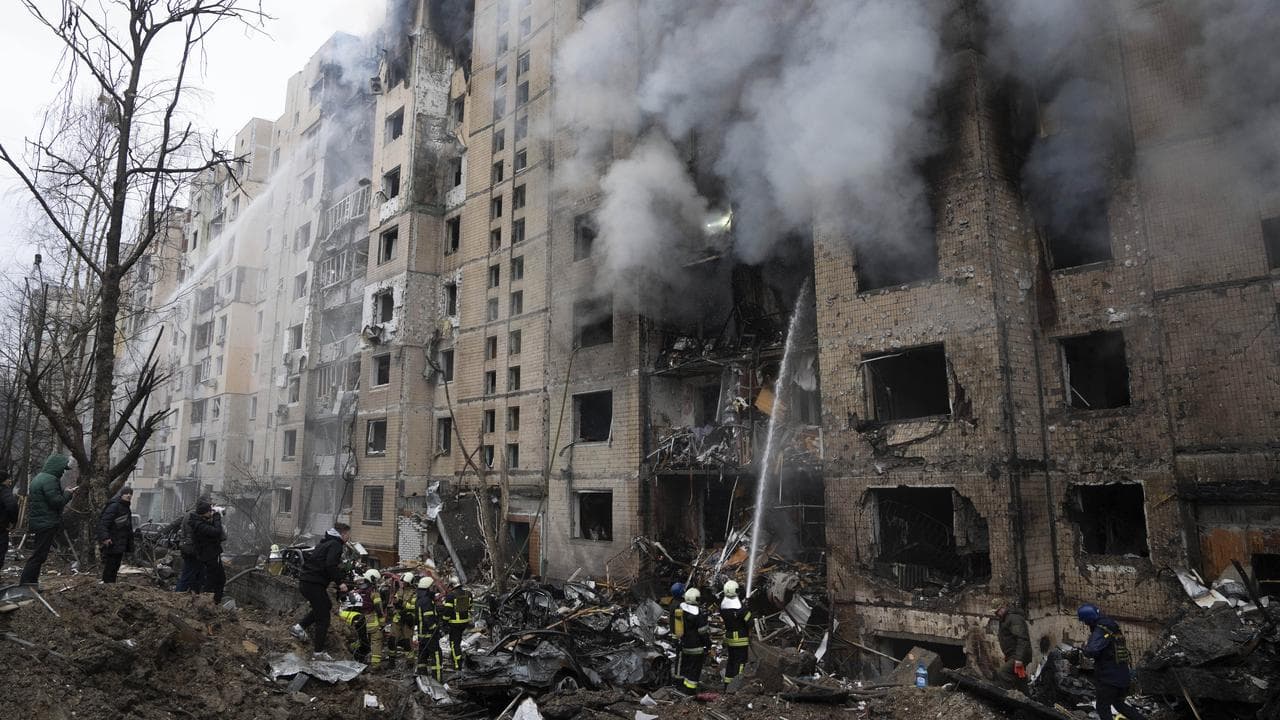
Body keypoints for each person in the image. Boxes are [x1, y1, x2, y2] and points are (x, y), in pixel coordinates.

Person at [1077, 604, 1148, 720]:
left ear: (1089, 619)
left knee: (1102, 707)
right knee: (1119, 704)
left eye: (1085, 621)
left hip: (1109, 678)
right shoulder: (1111, 625)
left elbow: (1092, 650)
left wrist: (1085, 648)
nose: (1085, 624)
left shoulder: (1101, 629)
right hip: (1123, 675)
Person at [291, 523, 350, 654]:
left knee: (326, 605)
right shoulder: (336, 545)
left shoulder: (325, 543)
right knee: (323, 618)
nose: (348, 538)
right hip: (313, 584)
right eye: (348, 535)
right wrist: (340, 582)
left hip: (307, 582)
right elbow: (330, 565)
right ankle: (318, 652)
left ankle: (299, 627)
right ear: (343, 534)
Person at [20, 453, 77, 586]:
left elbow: (48, 500)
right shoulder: (50, 480)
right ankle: (27, 584)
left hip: (40, 522)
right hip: (47, 523)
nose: (63, 472)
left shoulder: (39, 478)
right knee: (39, 556)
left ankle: (31, 583)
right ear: (56, 467)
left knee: (38, 555)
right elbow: (57, 502)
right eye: (63, 469)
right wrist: (68, 494)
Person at [338, 569, 385, 666]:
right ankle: (375, 666)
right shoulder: (374, 592)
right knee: (376, 641)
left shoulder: (358, 590)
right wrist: (382, 623)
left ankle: (353, 652)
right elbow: (378, 608)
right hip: (371, 621)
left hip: (358, 620)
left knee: (361, 639)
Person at [96, 485, 135, 583]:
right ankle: (107, 584)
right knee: (111, 565)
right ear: (122, 494)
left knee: (116, 565)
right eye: (126, 493)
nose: (129, 495)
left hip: (120, 542)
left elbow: (127, 528)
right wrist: (105, 538)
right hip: (113, 541)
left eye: (130, 494)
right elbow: (104, 523)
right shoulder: (115, 506)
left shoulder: (126, 507)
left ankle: (111, 584)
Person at [993, 601, 1032, 694]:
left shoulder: (1013, 619)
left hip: (1018, 655)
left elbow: (1022, 639)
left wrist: (1019, 658)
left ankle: (1011, 699)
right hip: (1014, 655)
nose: (996, 613)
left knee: (1003, 674)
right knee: (1019, 679)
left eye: (997, 611)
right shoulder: (1005, 619)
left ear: (1003, 607)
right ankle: (1028, 700)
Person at [190, 501, 226, 602]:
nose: (211, 513)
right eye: (210, 511)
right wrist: (217, 517)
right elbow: (216, 532)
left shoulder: (199, 522)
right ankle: (207, 602)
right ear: (204, 513)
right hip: (210, 555)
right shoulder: (199, 525)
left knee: (219, 579)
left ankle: (214, 602)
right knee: (212, 580)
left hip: (210, 554)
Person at [678, 587, 711, 694]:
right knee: (694, 669)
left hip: (685, 645)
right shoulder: (698, 615)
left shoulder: (681, 611)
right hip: (696, 647)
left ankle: (684, 687)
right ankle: (690, 691)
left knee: (686, 668)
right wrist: (708, 644)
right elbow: (703, 632)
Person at [719, 580, 752, 686]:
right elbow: (749, 622)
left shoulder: (723, 606)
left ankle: (727, 684)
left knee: (731, 661)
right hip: (740, 639)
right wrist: (746, 608)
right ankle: (737, 684)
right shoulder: (741, 608)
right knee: (740, 662)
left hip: (729, 638)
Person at [175, 499, 208, 593]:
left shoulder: (188, 515)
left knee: (198, 575)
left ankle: (194, 595)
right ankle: (177, 595)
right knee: (188, 575)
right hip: (194, 550)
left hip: (188, 549)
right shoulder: (195, 516)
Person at [440, 575, 472, 670]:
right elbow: (469, 607)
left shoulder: (451, 595)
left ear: (452, 585)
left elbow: (447, 612)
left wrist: (444, 622)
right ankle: (456, 659)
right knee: (458, 641)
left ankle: (457, 664)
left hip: (454, 623)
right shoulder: (468, 593)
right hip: (464, 623)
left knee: (454, 644)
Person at [415, 576, 443, 680]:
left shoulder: (419, 599)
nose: (434, 589)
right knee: (436, 656)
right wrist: (436, 629)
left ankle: (422, 678)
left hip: (422, 635)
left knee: (422, 657)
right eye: (432, 587)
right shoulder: (427, 601)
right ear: (428, 588)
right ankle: (438, 680)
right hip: (430, 635)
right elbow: (428, 619)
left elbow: (418, 619)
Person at [0, 471, 19, 571]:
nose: (10, 481)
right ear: (4, 480)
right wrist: (13, 521)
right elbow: (12, 505)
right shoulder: (4, 491)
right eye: (8, 479)